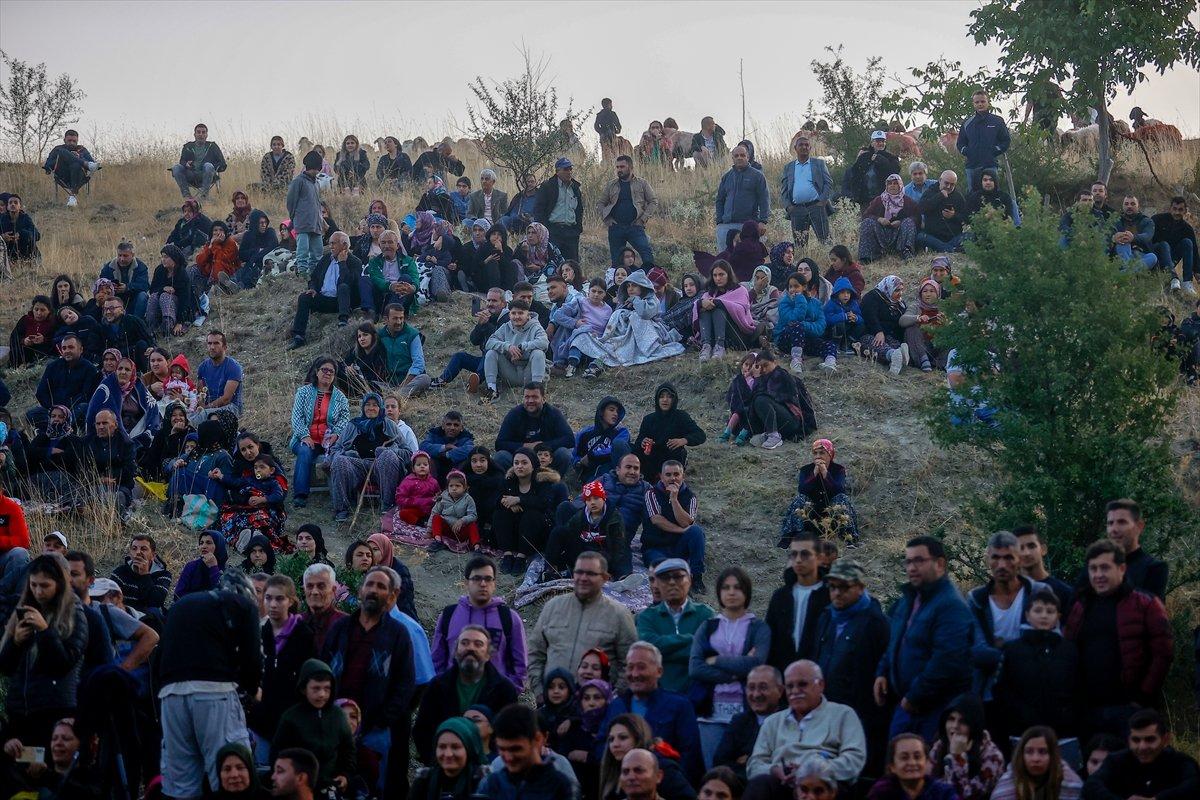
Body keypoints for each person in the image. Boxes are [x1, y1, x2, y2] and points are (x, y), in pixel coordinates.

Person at [157, 569, 262, 800]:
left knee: (181, 783)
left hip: (170, 695)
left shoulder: (182, 605)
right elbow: (252, 659)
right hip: (215, 694)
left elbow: (160, 656)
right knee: (230, 773)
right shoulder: (243, 604)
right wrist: (252, 690)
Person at [321, 566, 416, 798]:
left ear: (391, 596)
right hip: (335, 724)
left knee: (372, 788)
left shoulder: (398, 634)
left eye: (381, 586)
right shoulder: (341, 627)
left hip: (375, 728)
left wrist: (383, 718)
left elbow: (405, 684)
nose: (374, 590)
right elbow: (322, 669)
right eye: (370, 584)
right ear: (361, 590)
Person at [1063, 540, 1173, 737]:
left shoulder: (1147, 604)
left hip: (1130, 711)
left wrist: (1142, 698)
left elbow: (1163, 653)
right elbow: (1068, 652)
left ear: (1122, 569)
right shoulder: (1081, 606)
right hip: (1088, 711)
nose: (1098, 575)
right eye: (1093, 569)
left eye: (1105, 568)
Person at [874, 535, 974, 741]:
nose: (912, 567)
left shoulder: (951, 606)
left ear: (940, 564)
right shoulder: (908, 600)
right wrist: (882, 672)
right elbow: (895, 642)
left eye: (919, 560)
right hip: (906, 703)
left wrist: (914, 697)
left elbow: (947, 661)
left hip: (934, 709)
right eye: (908, 561)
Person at [0, 553, 88, 752]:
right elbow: (5, 667)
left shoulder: (74, 613)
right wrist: (15, 642)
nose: (38, 592)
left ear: (59, 584)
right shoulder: (24, 610)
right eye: (33, 585)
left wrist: (45, 631)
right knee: (19, 772)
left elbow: (64, 663)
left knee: (45, 771)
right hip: (20, 712)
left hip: (54, 713)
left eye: (45, 586)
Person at [743, 660, 866, 797]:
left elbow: (854, 760)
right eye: (790, 686)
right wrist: (773, 770)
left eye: (802, 684)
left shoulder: (843, 714)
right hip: (782, 784)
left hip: (824, 783)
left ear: (821, 685)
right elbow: (754, 765)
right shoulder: (772, 722)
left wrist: (811, 771)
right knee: (760, 784)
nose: (795, 691)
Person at [812, 559, 890, 776]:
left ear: (860, 587)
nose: (837, 593)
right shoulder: (826, 616)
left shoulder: (876, 623)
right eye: (833, 587)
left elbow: (881, 669)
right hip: (826, 713)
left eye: (844, 587)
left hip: (860, 717)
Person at [528, 551, 638, 697]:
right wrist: (540, 692)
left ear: (605, 578)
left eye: (591, 573)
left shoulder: (619, 615)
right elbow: (535, 652)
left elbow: (629, 662)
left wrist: (614, 698)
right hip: (553, 702)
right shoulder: (553, 607)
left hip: (596, 706)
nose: (583, 578)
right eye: (579, 572)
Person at [598, 641, 704, 783]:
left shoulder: (679, 705)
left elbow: (690, 757)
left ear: (659, 671)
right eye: (630, 667)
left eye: (641, 667)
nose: (635, 674)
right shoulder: (616, 705)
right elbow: (600, 746)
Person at [415, 624, 519, 763]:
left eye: (478, 644)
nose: (471, 648)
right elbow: (423, 730)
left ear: (488, 654)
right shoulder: (437, 686)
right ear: (456, 651)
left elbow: (510, 733)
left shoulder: (504, 689)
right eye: (464, 643)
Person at [991, 589, 1080, 745]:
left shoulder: (1069, 650)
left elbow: (1079, 688)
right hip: (1021, 730)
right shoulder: (1013, 650)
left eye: (1050, 611)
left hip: (1061, 731)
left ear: (1058, 616)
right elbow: (1001, 689)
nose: (1044, 616)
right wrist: (1018, 713)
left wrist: (1067, 714)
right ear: (1027, 615)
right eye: (1038, 610)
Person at [966, 531, 1048, 698]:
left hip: (1032, 689)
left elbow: (1044, 645)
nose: (1002, 565)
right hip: (988, 692)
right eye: (996, 557)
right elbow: (976, 652)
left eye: (1009, 558)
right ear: (988, 559)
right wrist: (1020, 651)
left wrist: (1001, 646)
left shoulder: (1038, 592)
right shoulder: (976, 599)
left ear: (1019, 559)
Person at [431, 555, 528, 688]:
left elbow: (520, 666)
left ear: (494, 584)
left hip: (495, 702)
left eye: (488, 579)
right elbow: (436, 660)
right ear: (466, 583)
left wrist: (506, 694)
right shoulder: (449, 615)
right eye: (477, 578)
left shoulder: (509, 618)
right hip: (453, 699)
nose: (483, 584)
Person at [250, 575, 316, 764]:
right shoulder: (261, 633)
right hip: (261, 722)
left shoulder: (304, 636)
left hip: (291, 726)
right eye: (268, 598)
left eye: (279, 599)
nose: (273, 604)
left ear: (291, 601)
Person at [1080, 708, 1199, 799]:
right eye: (1136, 740)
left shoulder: (1179, 762)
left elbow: (1193, 784)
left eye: (1150, 740)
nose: (1142, 747)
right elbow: (1091, 785)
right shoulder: (1116, 761)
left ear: (1165, 739)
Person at [476, 703, 580, 799]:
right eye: (502, 749)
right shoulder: (494, 782)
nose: (508, 757)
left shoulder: (558, 784)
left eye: (516, 749)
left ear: (538, 739)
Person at [287, 357, 349, 508]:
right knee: (305, 451)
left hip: (329, 440)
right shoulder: (303, 392)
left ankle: (341, 496)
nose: (327, 373)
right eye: (324, 370)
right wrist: (304, 435)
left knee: (341, 455)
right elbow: (297, 417)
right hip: (305, 438)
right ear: (316, 371)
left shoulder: (340, 396)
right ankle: (300, 494)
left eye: (331, 371)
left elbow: (345, 417)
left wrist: (337, 434)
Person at [545, 479, 630, 581]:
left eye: (596, 498)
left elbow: (618, 545)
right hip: (583, 551)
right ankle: (550, 570)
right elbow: (568, 532)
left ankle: (622, 577)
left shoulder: (614, 517)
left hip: (604, 555)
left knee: (625, 550)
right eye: (589, 500)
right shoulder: (581, 516)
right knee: (558, 531)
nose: (592, 502)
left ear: (604, 498)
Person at [288, 231, 359, 348]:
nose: (330, 246)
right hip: (324, 298)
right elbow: (314, 278)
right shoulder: (326, 259)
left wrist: (342, 263)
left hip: (342, 302)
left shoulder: (355, 261)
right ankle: (298, 337)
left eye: (334, 243)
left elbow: (350, 283)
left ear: (345, 245)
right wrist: (313, 288)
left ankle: (343, 322)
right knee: (304, 297)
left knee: (343, 287)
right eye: (330, 243)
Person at [493, 382, 574, 473]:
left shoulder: (553, 413)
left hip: (546, 459)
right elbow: (499, 443)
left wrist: (543, 446)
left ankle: (553, 483)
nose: (530, 401)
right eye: (527, 397)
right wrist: (524, 446)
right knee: (501, 456)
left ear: (543, 399)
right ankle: (513, 485)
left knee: (564, 454)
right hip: (520, 460)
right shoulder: (514, 414)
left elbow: (570, 439)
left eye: (535, 397)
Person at [27, 332, 100, 431]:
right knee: (31, 414)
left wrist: (65, 410)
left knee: (84, 408)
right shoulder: (53, 367)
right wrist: (54, 409)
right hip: (54, 411)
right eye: (64, 348)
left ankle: (60, 429)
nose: (67, 351)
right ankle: (56, 427)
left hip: (74, 411)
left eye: (71, 347)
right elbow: (41, 392)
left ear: (81, 350)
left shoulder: (89, 369)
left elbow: (87, 395)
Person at [1098, 498, 1167, 599]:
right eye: (1110, 523)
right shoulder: (1097, 564)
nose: (1114, 529)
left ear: (1139, 526)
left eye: (1121, 522)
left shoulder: (1154, 569)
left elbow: (1151, 611)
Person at [746, 349, 815, 449]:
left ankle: (774, 436)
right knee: (757, 401)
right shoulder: (765, 378)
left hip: (794, 421)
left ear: (774, 362)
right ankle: (771, 433)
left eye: (766, 365)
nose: (763, 369)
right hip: (783, 419)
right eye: (760, 367)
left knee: (761, 400)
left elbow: (769, 396)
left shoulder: (781, 375)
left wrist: (757, 378)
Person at [990, 726, 1083, 800]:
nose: (1036, 759)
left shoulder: (1070, 784)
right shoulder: (1007, 786)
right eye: (1029, 752)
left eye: (1043, 752)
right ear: (1021, 755)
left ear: (1053, 755)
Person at [482, 300, 550, 400]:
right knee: (491, 353)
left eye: (521, 313)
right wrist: (507, 347)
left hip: (529, 372)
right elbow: (489, 343)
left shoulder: (535, 326)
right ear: (509, 315)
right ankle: (492, 390)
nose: (516, 316)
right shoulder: (505, 327)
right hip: (510, 371)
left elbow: (544, 343)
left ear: (528, 315)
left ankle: (537, 390)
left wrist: (522, 347)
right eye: (513, 313)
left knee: (538, 353)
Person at [599, 155, 657, 267]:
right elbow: (600, 203)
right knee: (617, 261)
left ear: (630, 167)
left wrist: (643, 219)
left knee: (647, 255)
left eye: (622, 167)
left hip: (635, 226)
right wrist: (607, 220)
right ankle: (619, 282)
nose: (619, 170)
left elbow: (653, 201)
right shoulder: (611, 185)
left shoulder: (642, 183)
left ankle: (649, 280)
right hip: (616, 227)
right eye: (617, 167)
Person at [410, 717, 487, 800]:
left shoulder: (484, 782)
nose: (448, 754)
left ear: (469, 749)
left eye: (455, 747)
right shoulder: (424, 781)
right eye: (442, 747)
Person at [779, 135, 833, 247]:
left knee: (825, 241)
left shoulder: (818, 164)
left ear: (810, 148)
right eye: (801, 145)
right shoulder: (789, 167)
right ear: (795, 148)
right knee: (800, 244)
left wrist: (822, 201)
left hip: (816, 207)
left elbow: (828, 182)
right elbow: (784, 189)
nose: (804, 147)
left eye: (806, 145)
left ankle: (828, 261)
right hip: (797, 209)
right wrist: (788, 206)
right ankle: (802, 263)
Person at [714, 145, 770, 252]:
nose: (739, 157)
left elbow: (764, 199)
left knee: (749, 258)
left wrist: (763, 221)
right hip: (726, 225)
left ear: (748, 157)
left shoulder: (757, 176)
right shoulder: (727, 177)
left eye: (742, 155)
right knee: (725, 260)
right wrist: (720, 221)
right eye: (736, 155)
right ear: (733, 158)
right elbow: (720, 200)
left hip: (748, 225)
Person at [867, 734, 958, 800]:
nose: (912, 762)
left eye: (917, 757)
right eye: (904, 758)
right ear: (892, 766)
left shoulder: (943, 792)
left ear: (926, 762)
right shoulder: (881, 792)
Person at [695, 260, 756, 359]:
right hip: (714, 333)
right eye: (715, 275)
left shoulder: (740, 290)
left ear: (728, 275)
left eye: (721, 274)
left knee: (718, 309)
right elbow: (697, 304)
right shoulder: (710, 293)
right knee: (703, 309)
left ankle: (720, 347)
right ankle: (706, 346)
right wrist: (701, 303)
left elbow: (741, 310)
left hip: (737, 334)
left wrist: (719, 303)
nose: (718, 278)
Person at [956, 90, 1010, 192]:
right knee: (973, 195)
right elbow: (960, 143)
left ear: (988, 102)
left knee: (993, 194)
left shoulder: (997, 121)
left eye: (982, 101)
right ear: (973, 104)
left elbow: (1006, 140)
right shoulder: (967, 123)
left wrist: (994, 150)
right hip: (972, 166)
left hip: (990, 164)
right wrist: (967, 152)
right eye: (977, 102)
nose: (980, 104)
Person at [534, 157, 585, 260]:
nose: (569, 172)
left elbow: (579, 210)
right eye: (565, 169)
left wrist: (578, 229)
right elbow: (539, 209)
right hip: (553, 231)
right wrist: (543, 229)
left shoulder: (575, 188)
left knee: (572, 264)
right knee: (553, 263)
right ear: (557, 171)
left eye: (570, 169)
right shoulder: (548, 186)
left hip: (571, 232)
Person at [859, 174, 919, 262]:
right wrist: (879, 219)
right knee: (867, 222)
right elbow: (866, 215)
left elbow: (916, 217)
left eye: (895, 183)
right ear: (886, 186)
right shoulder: (879, 200)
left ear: (900, 186)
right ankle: (868, 256)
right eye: (890, 184)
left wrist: (901, 222)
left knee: (909, 222)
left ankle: (906, 252)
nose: (892, 186)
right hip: (881, 233)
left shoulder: (908, 201)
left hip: (900, 235)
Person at [287, 150, 325, 275]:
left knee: (317, 252)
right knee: (302, 251)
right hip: (303, 223)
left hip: (316, 224)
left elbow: (318, 204)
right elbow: (291, 201)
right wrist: (294, 217)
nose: (316, 171)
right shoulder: (298, 181)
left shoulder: (316, 184)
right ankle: (302, 274)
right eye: (314, 168)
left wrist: (321, 221)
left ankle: (314, 274)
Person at [194, 329, 245, 421]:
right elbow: (200, 393)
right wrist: (200, 406)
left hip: (231, 408)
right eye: (209, 343)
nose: (212, 347)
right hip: (208, 407)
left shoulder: (233, 367)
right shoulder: (203, 367)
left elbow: (226, 399)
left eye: (216, 343)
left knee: (202, 417)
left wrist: (206, 409)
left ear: (225, 347)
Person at [1151, 196, 1198, 294]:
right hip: (1156, 259)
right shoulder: (1157, 219)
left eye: (1180, 210)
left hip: (1171, 260)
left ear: (1185, 211)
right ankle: (1173, 278)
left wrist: (1197, 271)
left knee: (1187, 242)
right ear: (1170, 208)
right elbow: (1148, 240)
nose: (1177, 213)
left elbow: (1194, 251)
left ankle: (1187, 282)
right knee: (1164, 244)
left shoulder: (1187, 229)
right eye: (1174, 209)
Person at [146, 244, 194, 337]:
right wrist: (163, 288)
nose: (163, 259)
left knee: (165, 296)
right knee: (154, 297)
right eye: (162, 257)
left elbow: (185, 300)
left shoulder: (182, 274)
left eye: (166, 257)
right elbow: (152, 289)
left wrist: (180, 322)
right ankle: (151, 326)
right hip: (160, 306)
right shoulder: (160, 270)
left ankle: (168, 327)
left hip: (179, 308)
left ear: (174, 258)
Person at [845, 131, 902, 208]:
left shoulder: (892, 158)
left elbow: (894, 173)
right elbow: (853, 175)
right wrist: (854, 195)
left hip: (885, 200)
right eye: (878, 141)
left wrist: (881, 159)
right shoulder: (863, 157)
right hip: (864, 200)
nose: (881, 143)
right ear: (872, 143)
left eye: (883, 141)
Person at [171, 122, 228, 199]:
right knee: (176, 167)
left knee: (208, 165)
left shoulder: (212, 146)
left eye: (203, 132)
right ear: (194, 134)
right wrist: (186, 164)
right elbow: (182, 161)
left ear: (206, 135)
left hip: (207, 175)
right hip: (191, 175)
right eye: (198, 132)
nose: (201, 134)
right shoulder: (188, 146)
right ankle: (187, 196)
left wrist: (210, 167)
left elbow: (222, 164)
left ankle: (204, 196)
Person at [43, 129, 100, 204]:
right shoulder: (57, 149)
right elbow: (48, 164)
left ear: (77, 141)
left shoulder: (82, 149)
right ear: (64, 140)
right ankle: (84, 163)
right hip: (62, 176)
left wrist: (79, 157)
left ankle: (72, 197)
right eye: (69, 140)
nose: (72, 143)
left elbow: (92, 162)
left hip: (79, 176)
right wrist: (63, 158)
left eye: (74, 141)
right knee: (62, 151)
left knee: (76, 165)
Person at [99, 294, 155, 371]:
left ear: (121, 310)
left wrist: (151, 347)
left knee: (142, 344)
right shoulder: (103, 327)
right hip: (114, 361)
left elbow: (148, 339)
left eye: (112, 308)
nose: (108, 312)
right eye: (105, 309)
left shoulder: (132, 321)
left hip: (134, 357)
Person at [300, 562, 346, 655]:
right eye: (310, 586)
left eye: (321, 586)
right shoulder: (295, 623)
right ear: (304, 590)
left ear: (333, 590)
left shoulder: (346, 625)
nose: (314, 592)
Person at [917, 171, 968, 253]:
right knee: (920, 236)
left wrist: (953, 215)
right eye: (946, 183)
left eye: (952, 184)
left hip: (953, 237)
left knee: (971, 236)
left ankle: (945, 248)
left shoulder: (958, 196)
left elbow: (966, 218)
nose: (948, 186)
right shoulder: (930, 192)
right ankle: (952, 249)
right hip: (933, 237)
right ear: (940, 180)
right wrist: (939, 196)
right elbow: (921, 209)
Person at [99, 241, 150, 318]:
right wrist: (111, 288)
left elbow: (144, 286)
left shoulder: (140, 267)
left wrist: (127, 287)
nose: (121, 259)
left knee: (143, 296)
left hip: (133, 299)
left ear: (132, 255)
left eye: (125, 256)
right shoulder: (108, 267)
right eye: (119, 255)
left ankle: (136, 321)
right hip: (114, 298)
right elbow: (100, 285)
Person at [1109, 195, 1158, 270]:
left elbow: (1148, 235)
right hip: (1121, 253)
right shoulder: (1116, 220)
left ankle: (1124, 275)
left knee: (1152, 257)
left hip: (1141, 254)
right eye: (1126, 204)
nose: (1129, 206)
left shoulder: (1147, 221)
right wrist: (1114, 237)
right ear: (1122, 206)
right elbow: (1107, 234)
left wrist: (1133, 238)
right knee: (1123, 242)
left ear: (1138, 206)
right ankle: (1129, 274)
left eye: (1132, 204)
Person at [0, 193, 40, 261]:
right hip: (8, 255)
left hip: (26, 253)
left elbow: (37, 235)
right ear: (7, 207)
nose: (13, 204)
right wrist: (2, 237)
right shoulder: (2, 219)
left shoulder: (25, 218)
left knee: (27, 236)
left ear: (20, 206)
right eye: (10, 203)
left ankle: (31, 262)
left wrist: (21, 234)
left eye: (16, 203)